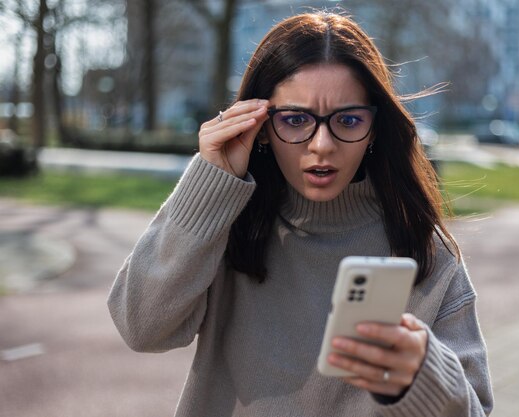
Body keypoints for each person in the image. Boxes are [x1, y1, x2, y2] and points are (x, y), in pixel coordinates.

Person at [108, 11, 493, 417]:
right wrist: (208, 182)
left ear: (376, 127)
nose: (322, 144)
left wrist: (423, 375)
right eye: (295, 120)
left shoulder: (427, 253)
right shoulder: (227, 226)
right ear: (261, 125)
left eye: (347, 119)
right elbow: (141, 327)